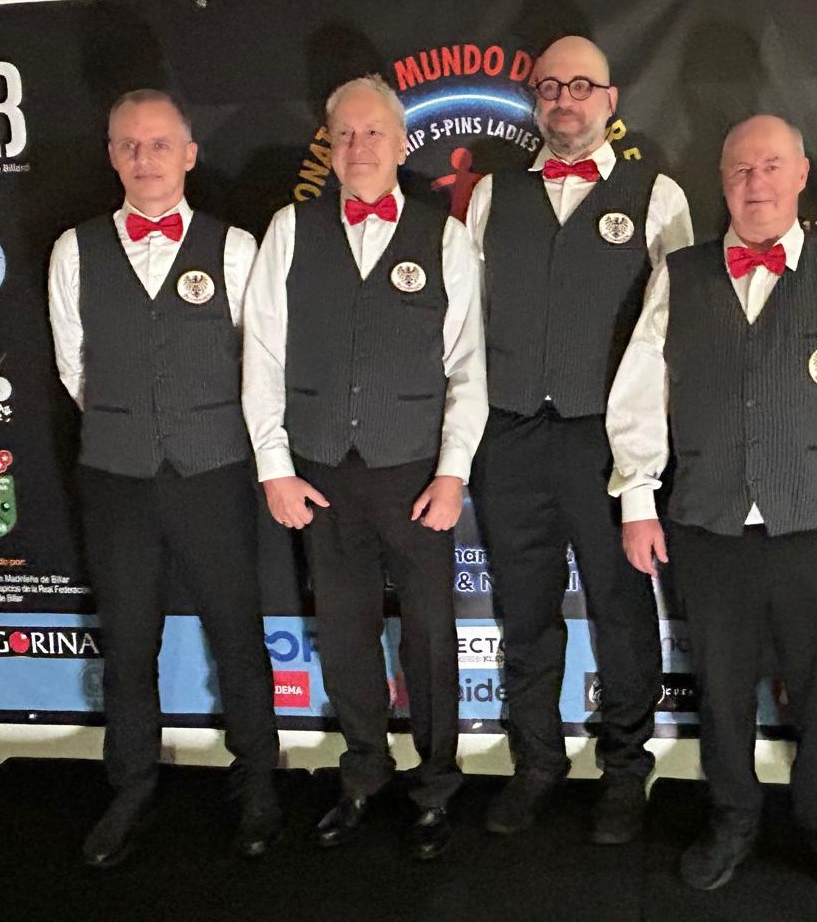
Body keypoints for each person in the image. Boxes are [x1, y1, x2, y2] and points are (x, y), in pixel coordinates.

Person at [607, 114, 817, 909]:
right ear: (723, 183)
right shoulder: (680, 275)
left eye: (771, 167)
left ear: (800, 175)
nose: (756, 183)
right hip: (708, 526)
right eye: (741, 170)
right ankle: (732, 819)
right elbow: (640, 396)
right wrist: (638, 498)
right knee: (720, 693)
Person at [241, 74, 487, 861]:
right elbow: (262, 353)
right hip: (319, 471)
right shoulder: (290, 228)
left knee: (431, 638)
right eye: (344, 133)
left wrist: (452, 472)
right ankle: (362, 775)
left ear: (401, 142)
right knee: (344, 634)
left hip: (413, 471)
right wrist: (274, 466)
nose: (358, 146)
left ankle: (436, 788)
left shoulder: (444, 237)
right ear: (329, 145)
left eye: (373, 131)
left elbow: (469, 365)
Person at [464, 34, 693, 844]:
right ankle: (536, 763)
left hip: (609, 445)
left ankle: (625, 770)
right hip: (510, 437)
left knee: (621, 611)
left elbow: (676, 333)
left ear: (611, 100)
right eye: (550, 86)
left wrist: (646, 458)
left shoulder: (658, 196)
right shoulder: (493, 195)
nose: (564, 100)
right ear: (535, 99)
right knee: (523, 613)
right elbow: (468, 323)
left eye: (581, 86)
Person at [47, 89, 280, 868]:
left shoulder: (236, 248)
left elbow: (260, 366)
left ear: (189, 154)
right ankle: (132, 790)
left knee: (238, 635)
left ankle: (257, 783)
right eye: (128, 144)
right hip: (116, 476)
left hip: (213, 470)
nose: (144, 158)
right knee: (126, 641)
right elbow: (75, 368)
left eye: (159, 144)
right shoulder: (74, 250)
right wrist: (133, 422)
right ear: (112, 155)